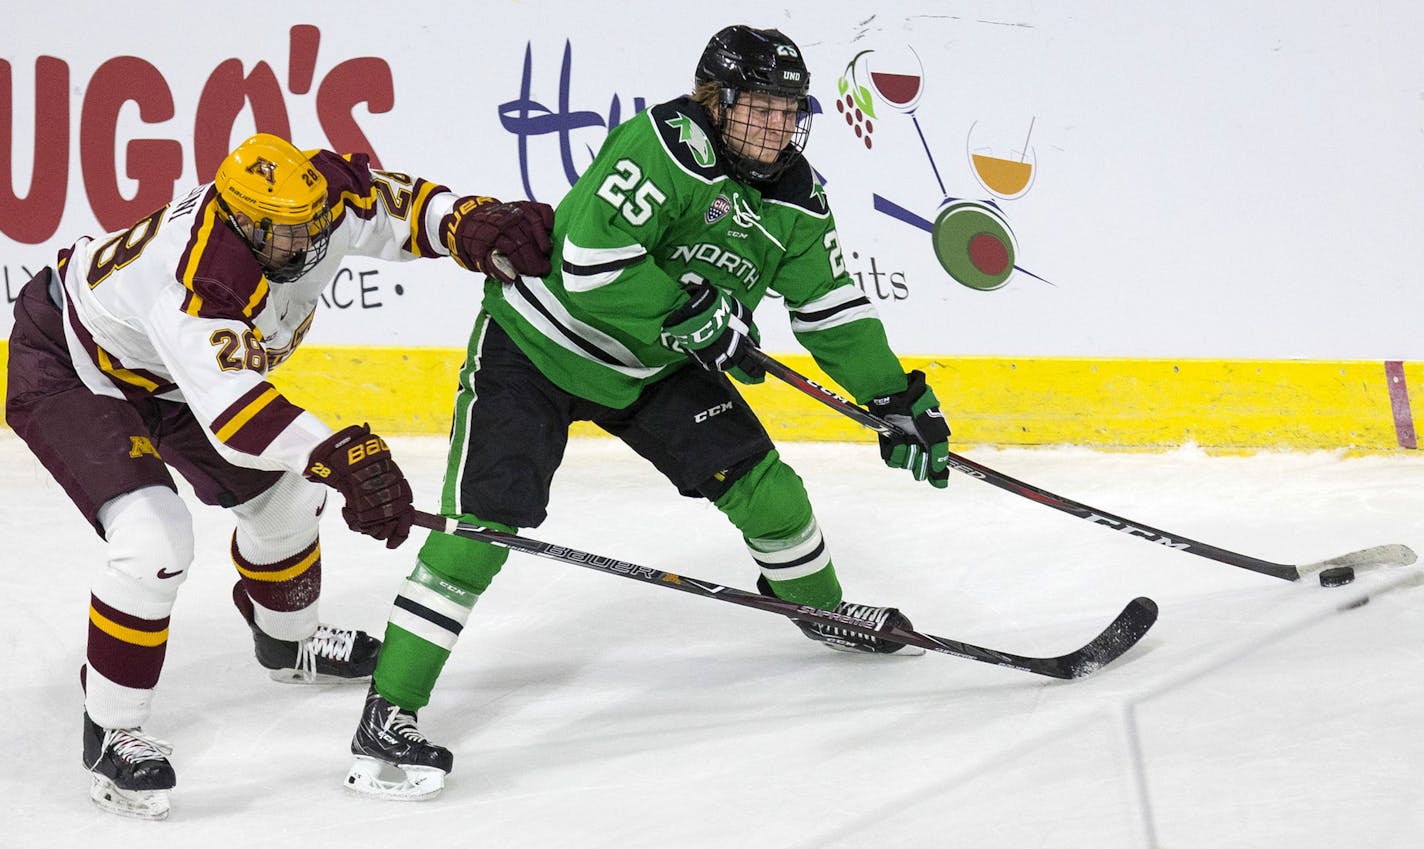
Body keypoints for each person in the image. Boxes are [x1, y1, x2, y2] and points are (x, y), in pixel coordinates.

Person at [341, 25, 952, 801]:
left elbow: (830, 309)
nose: (774, 127)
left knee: (773, 492)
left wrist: (892, 395)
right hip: (537, 345)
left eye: (787, 110)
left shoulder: (798, 201)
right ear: (716, 102)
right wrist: (688, 312)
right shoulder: (661, 145)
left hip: (652, 367)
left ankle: (817, 608)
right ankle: (388, 712)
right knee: (479, 533)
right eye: (757, 107)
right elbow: (591, 265)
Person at [3, 132, 554, 819]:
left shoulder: (317, 201)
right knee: (154, 539)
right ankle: (113, 729)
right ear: (242, 222)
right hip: (70, 365)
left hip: (170, 376)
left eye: (310, 226)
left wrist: (469, 222)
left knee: (288, 495)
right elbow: (236, 411)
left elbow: (399, 207)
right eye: (285, 235)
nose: (306, 244)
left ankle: (287, 643)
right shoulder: (201, 274)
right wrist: (347, 453)